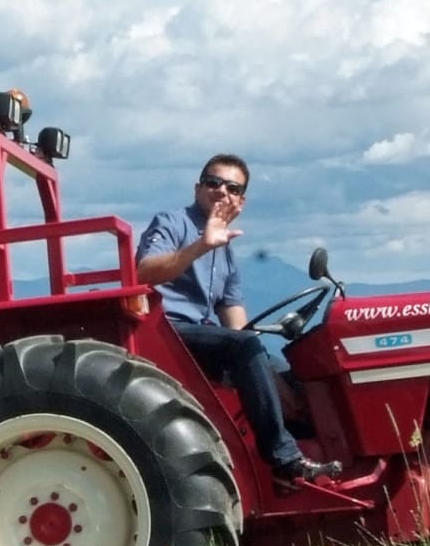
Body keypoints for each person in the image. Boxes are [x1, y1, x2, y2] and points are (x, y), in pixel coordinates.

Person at [135, 155, 342, 483]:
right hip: (165, 332)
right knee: (245, 347)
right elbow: (144, 271)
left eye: (233, 188)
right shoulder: (173, 223)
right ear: (198, 188)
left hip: (203, 336)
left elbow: (236, 322)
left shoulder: (226, 251)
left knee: (288, 369)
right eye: (213, 183)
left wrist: (274, 380)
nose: (222, 191)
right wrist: (201, 245)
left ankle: (319, 454)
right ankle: (283, 460)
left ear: (241, 201)